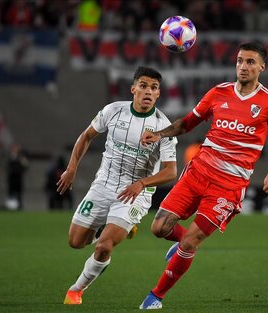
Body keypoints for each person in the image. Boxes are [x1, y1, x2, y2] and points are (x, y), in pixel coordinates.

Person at [138, 41, 268, 309]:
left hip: (229, 185)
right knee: (159, 228)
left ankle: (156, 297)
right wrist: (159, 134)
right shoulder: (218, 93)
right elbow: (187, 123)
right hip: (197, 172)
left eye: (250, 62)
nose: (243, 66)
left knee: (190, 241)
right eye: (240, 61)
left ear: (262, 67)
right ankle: (183, 246)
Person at [57, 66, 178, 305]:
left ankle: (76, 290)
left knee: (104, 247)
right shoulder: (113, 111)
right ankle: (111, 228)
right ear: (133, 88)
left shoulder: (164, 127)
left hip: (136, 194)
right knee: (76, 242)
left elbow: (170, 171)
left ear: (158, 94)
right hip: (104, 184)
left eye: (153, 88)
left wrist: (141, 184)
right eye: (143, 86)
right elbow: (86, 136)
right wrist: (72, 168)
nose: (148, 91)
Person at [6, 144, 28, 210]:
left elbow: (25, 167)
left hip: (18, 178)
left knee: (19, 194)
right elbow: (8, 167)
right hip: (11, 178)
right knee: (11, 194)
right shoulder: (10, 157)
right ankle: (10, 207)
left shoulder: (21, 158)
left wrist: (23, 161)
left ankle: (19, 207)